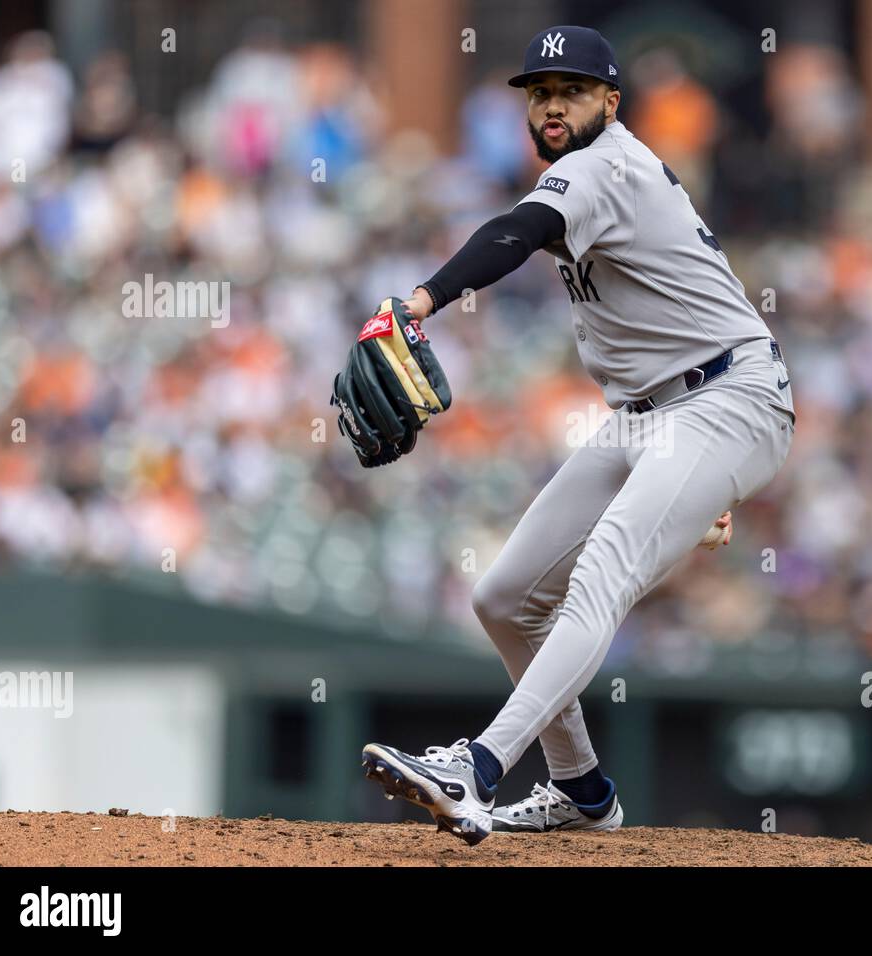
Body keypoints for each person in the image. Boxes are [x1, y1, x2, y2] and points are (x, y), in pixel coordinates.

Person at [359, 25, 795, 844]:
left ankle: (477, 768)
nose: (553, 103)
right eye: (540, 92)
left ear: (611, 102)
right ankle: (582, 790)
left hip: (727, 399)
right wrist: (702, 482)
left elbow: (511, 235)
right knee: (503, 599)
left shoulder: (606, 164)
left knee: (599, 579)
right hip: (654, 415)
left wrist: (423, 300)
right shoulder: (588, 175)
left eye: (572, 89)